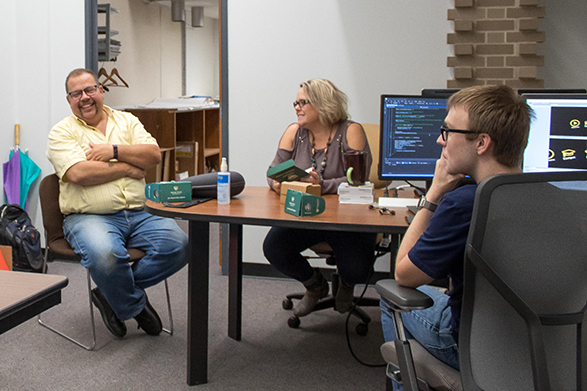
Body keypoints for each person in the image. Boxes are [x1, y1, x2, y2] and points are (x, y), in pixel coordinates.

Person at [380, 84, 534, 374]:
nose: (441, 140)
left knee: (392, 300)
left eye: (448, 131)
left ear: (481, 143)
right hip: (543, 349)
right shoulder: (552, 196)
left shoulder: (464, 204)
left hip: (478, 351)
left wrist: (434, 194)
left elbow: (404, 273)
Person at [46, 68, 188, 339]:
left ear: (101, 90)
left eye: (89, 90)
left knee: (179, 246)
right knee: (105, 256)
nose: (84, 98)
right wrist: (126, 168)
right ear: (69, 100)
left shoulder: (127, 121)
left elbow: (152, 155)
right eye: (76, 93)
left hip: (140, 213)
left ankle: (109, 294)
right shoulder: (62, 132)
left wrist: (112, 151)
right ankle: (132, 303)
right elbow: (78, 173)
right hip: (89, 217)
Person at [263, 78, 377, 317]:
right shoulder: (295, 133)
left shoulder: (351, 130)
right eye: (296, 102)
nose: (297, 107)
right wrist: (279, 182)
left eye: (303, 102)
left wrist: (321, 185)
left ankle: (346, 285)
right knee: (274, 247)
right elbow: (273, 173)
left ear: (323, 103)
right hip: (307, 215)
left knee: (357, 268)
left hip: (346, 219)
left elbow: (357, 179)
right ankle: (315, 285)